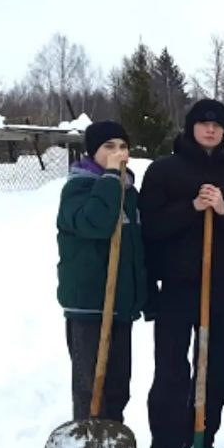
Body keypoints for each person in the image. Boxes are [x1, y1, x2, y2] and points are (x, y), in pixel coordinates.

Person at [135, 99, 224, 448]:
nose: (211, 129)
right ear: (190, 127)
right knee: (171, 370)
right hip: (178, 286)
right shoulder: (163, 171)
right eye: (203, 123)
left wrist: (222, 209)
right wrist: (191, 207)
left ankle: (200, 439)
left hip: (220, 285)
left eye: (218, 124)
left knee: (217, 368)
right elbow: (149, 227)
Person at [56, 120, 146, 422]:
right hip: (88, 304)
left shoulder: (130, 192)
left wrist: (142, 294)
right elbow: (94, 224)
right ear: (92, 152)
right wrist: (109, 178)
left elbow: (136, 249)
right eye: (108, 147)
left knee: (118, 386)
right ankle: (89, 446)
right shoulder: (77, 189)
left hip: (120, 305)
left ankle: (112, 446)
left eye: (122, 146)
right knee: (90, 386)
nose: (117, 153)